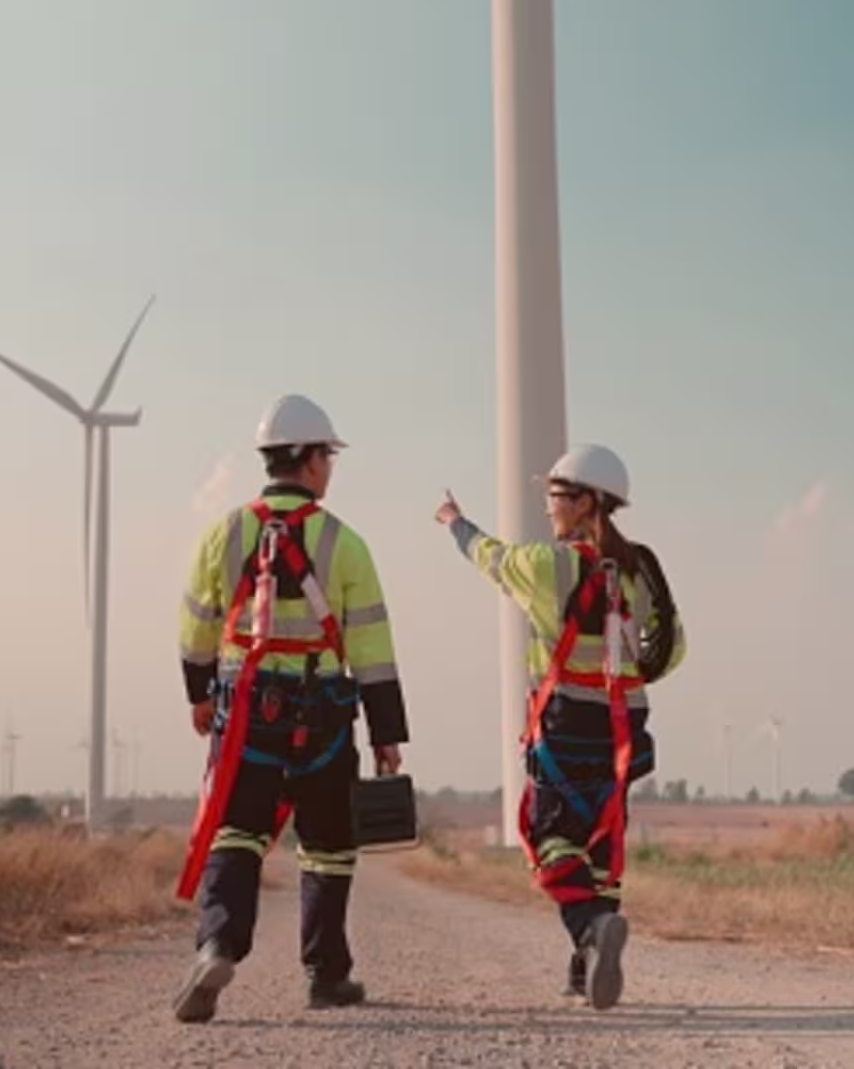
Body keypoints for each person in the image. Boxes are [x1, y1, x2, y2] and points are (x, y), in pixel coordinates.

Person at [171, 393, 410, 1024]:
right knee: (328, 845)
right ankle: (326, 975)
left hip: (245, 706)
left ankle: (219, 944)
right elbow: (373, 647)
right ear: (308, 461)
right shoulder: (346, 544)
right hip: (324, 710)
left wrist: (199, 696)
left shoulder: (222, 533)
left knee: (237, 830)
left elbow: (194, 628)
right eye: (327, 456)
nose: (330, 467)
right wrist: (388, 732)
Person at [434, 444, 683, 1010]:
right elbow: (673, 648)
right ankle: (583, 968)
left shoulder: (549, 566)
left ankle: (593, 927)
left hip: (566, 722)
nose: (547, 508)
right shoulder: (643, 569)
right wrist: (624, 675)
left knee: (548, 839)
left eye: (553, 496)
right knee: (603, 841)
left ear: (583, 501)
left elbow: (490, 557)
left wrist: (455, 523)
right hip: (626, 728)